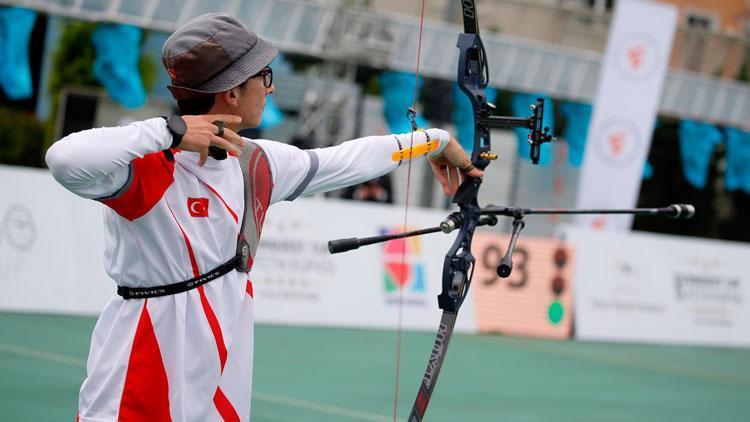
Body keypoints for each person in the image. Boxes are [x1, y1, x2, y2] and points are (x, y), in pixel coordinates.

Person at [45, 13, 482, 421]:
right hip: (140, 367)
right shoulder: (148, 164)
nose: (269, 88)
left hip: (219, 372)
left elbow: (348, 159)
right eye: (263, 77)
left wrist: (437, 140)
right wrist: (171, 131)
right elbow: (64, 158)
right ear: (232, 91)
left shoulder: (256, 163)